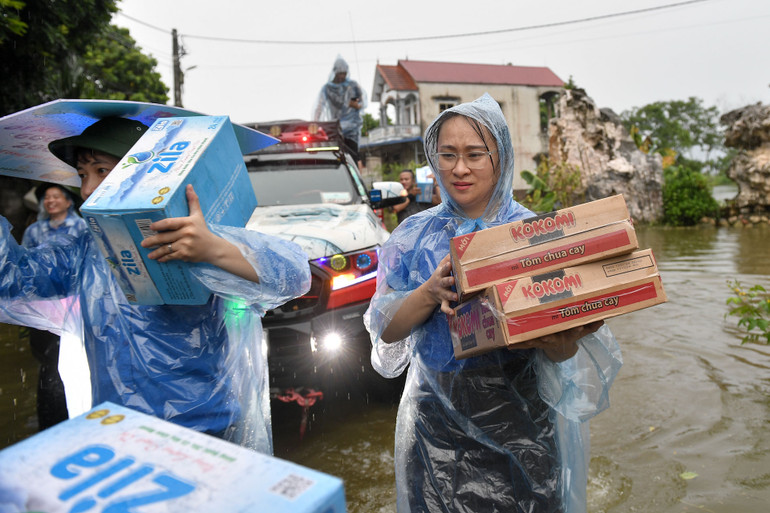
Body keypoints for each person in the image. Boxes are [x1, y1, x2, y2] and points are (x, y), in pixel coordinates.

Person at [364, 94, 623, 512]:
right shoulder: (412, 236)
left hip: (522, 426)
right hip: (436, 428)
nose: (459, 169)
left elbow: (566, 353)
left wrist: (556, 337)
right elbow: (386, 332)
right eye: (447, 155)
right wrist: (430, 292)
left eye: (474, 155)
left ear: (499, 156)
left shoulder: (538, 235)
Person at [0, 116, 311, 454]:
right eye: (82, 175)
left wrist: (213, 248)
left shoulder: (188, 235)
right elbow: (12, 278)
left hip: (203, 431)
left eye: (101, 171)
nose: (86, 189)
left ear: (144, 176)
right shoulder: (84, 249)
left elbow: (294, 275)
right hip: (117, 432)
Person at [21, 183, 88, 429]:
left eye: (55, 196)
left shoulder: (81, 227)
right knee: (45, 356)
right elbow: (26, 264)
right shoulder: (34, 231)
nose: (50, 201)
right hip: (42, 303)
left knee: (67, 358)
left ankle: (70, 413)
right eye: (46, 198)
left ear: (68, 201)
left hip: (73, 303)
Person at [313, 55, 366, 163]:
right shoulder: (328, 88)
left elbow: (360, 101)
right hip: (336, 127)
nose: (342, 76)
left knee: (353, 156)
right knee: (337, 155)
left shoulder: (352, 86)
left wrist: (356, 104)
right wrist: (315, 122)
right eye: (340, 73)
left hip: (351, 128)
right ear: (335, 72)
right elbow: (320, 106)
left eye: (344, 73)